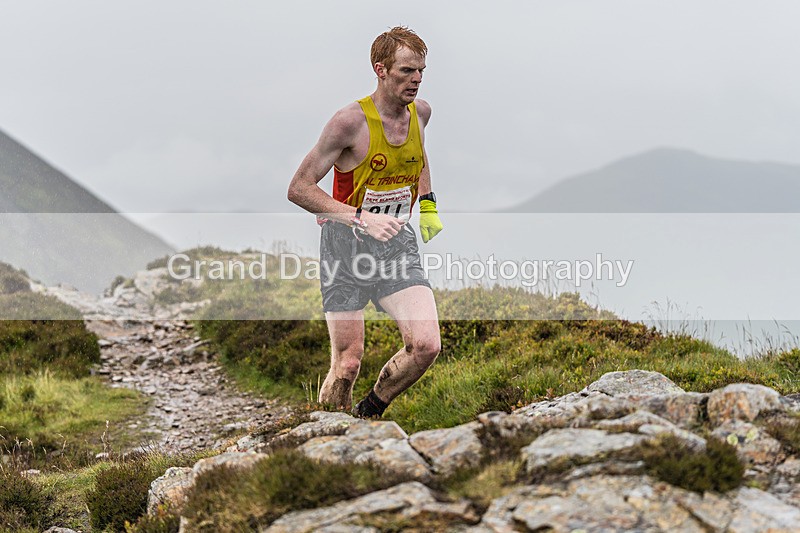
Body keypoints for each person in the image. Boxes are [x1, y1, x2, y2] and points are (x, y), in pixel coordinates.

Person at [287, 26, 443, 418]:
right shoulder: (349, 123)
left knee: (426, 344)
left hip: (396, 245)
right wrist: (359, 218)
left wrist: (427, 204)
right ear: (381, 69)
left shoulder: (420, 113)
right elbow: (300, 188)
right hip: (345, 248)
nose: (417, 79)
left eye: (421, 71)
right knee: (348, 363)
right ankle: (323, 434)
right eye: (407, 70)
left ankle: (367, 414)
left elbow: (417, 157)